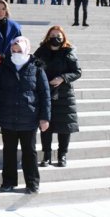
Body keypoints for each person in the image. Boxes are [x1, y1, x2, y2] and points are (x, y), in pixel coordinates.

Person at [0, 37, 50, 194]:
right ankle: (8, 181)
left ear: (26, 50)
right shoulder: (3, 66)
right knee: (9, 151)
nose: (16, 54)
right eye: (13, 51)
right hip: (7, 117)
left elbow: (45, 93)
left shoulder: (36, 67)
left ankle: (32, 182)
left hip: (29, 117)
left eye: (19, 51)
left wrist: (45, 117)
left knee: (29, 152)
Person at [34, 26, 81, 167]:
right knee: (45, 125)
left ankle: (62, 155)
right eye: (53, 34)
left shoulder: (68, 51)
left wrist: (62, 78)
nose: (56, 37)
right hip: (45, 93)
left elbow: (77, 72)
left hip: (64, 94)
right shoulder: (41, 51)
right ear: (48, 36)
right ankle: (46, 155)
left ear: (63, 37)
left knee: (64, 127)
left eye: (58, 35)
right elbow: (34, 67)